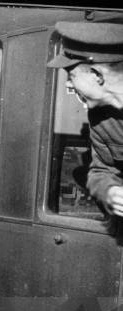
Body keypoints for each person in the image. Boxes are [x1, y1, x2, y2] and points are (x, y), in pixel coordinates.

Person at [47, 22, 123, 217]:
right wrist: (110, 192)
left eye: (71, 75)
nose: (70, 84)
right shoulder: (101, 117)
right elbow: (101, 171)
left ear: (97, 75)